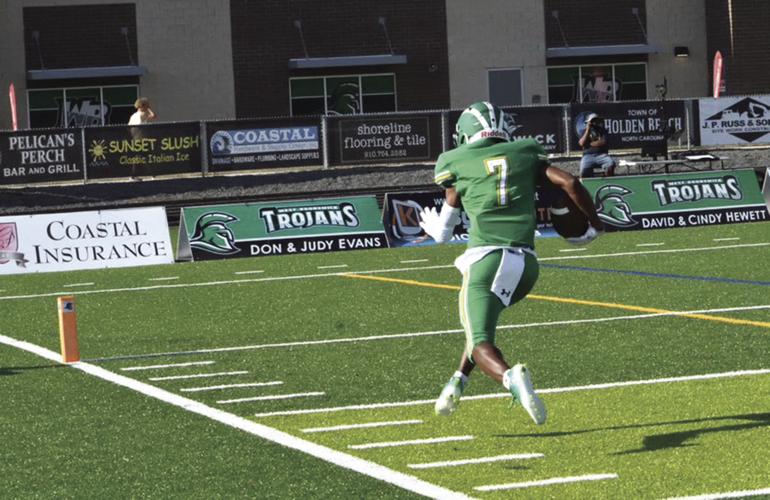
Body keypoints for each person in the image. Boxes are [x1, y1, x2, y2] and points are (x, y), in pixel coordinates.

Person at [419, 101, 604, 424]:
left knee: (479, 341)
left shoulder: (455, 160)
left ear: (465, 134)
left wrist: (435, 229)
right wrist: (595, 224)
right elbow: (571, 184)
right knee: (480, 326)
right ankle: (456, 383)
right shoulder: (526, 152)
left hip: (485, 259)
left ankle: (510, 379)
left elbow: (444, 231)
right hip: (526, 266)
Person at [578, 113, 615, 178]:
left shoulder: (603, 130)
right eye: (592, 121)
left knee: (610, 163)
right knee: (583, 170)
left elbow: (603, 142)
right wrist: (588, 130)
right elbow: (581, 143)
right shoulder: (584, 131)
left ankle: (609, 181)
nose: (594, 123)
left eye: (596, 120)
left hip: (601, 154)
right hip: (588, 156)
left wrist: (588, 144)